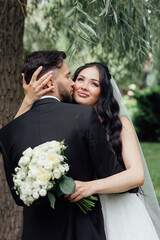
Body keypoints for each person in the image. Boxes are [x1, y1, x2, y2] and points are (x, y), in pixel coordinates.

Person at [16, 60, 160, 239]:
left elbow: (137, 175)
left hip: (118, 208)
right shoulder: (61, 119)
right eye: (81, 79)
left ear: (103, 91)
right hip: (79, 215)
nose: (84, 86)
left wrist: (90, 187)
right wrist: (28, 100)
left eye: (94, 83)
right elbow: (15, 135)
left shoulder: (120, 125)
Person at [0, 50, 126, 240]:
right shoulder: (84, 117)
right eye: (68, 76)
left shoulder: (9, 132)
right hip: (82, 231)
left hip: (36, 233)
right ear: (50, 82)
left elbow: (19, 198)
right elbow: (112, 175)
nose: (73, 83)